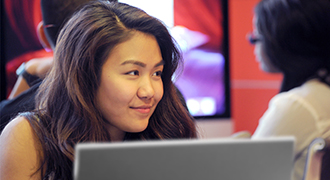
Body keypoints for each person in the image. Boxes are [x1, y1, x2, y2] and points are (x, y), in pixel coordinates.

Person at [0, 1, 198, 179]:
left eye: (157, 73)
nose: (149, 92)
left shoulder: (169, 127)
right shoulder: (29, 137)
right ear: (86, 75)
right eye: (133, 73)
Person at [248, 0, 330, 180]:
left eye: (256, 37)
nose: (253, 46)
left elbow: (245, 172)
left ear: (283, 42)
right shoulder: (328, 95)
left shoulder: (298, 105)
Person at [0, 0, 109, 132]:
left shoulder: (19, 121)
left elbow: (6, 116)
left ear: (43, 35)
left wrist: (28, 72)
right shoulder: (130, 97)